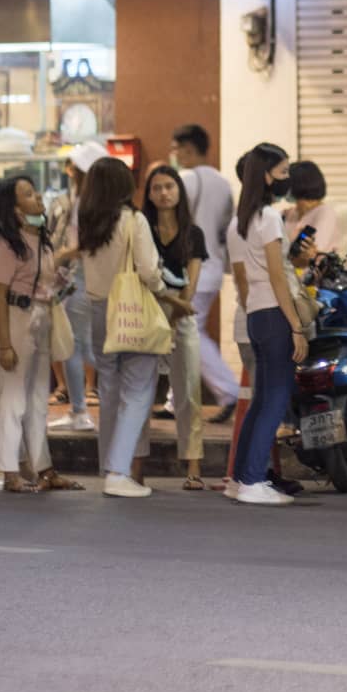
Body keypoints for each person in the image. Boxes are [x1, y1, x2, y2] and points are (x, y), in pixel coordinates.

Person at [81, 158, 172, 500]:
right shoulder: (133, 219)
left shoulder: (88, 221)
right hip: (131, 309)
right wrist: (162, 288)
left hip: (98, 310)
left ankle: (109, 467)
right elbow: (148, 270)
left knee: (109, 392)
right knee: (137, 392)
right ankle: (119, 473)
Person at [225, 143, 306, 507]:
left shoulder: (237, 223)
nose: (287, 179)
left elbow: (242, 281)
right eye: (283, 172)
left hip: (255, 315)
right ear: (266, 175)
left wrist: (252, 308)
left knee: (260, 401)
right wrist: (297, 327)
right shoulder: (270, 218)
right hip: (274, 314)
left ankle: (240, 477)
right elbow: (278, 277)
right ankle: (254, 480)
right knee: (274, 400)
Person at [0, 174, 79, 493]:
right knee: (13, 398)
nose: (38, 198)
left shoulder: (41, 240)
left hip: (41, 317)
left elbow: (46, 282)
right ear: (13, 209)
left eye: (35, 192)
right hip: (14, 318)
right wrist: (4, 344)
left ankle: (44, 469)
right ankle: (10, 472)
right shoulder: (4, 245)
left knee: (39, 398)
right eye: (28, 194)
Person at [144, 165, 209, 489]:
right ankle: (135, 469)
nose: (164, 193)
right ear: (148, 194)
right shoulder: (142, 229)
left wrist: (174, 313)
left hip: (182, 314)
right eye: (156, 188)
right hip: (145, 312)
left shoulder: (193, 233)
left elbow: (191, 285)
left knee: (188, 394)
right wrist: (166, 311)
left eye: (169, 186)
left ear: (179, 191)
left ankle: (193, 468)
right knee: (141, 394)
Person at [171, 124, 239, 416]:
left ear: (187, 149)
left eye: (176, 149)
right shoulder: (222, 183)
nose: (174, 155)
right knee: (183, 333)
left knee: (189, 333)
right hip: (212, 269)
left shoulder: (185, 180)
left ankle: (228, 391)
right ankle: (176, 401)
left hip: (191, 269)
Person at [48, 140, 106, 431]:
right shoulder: (103, 202)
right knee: (89, 346)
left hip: (82, 282)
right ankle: (87, 407)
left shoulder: (86, 203)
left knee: (74, 346)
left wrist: (60, 257)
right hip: (95, 283)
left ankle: (79, 410)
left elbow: (82, 246)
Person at [282, 160, 343, 257]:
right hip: (289, 269)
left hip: (314, 270)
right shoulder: (290, 213)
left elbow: (316, 249)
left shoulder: (325, 213)